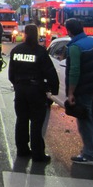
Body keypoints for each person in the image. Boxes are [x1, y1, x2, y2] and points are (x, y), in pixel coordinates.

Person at [8, 24, 59, 162]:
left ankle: (22, 150)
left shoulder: (16, 50)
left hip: (20, 90)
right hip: (36, 90)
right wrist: (53, 89)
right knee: (36, 123)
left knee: (21, 120)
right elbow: (50, 71)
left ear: (25, 34)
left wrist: (17, 84)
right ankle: (38, 154)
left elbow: (11, 74)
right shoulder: (40, 51)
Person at [65, 18, 93, 165]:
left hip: (83, 90)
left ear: (69, 31)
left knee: (85, 123)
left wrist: (71, 92)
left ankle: (88, 154)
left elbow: (74, 71)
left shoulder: (75, 47)